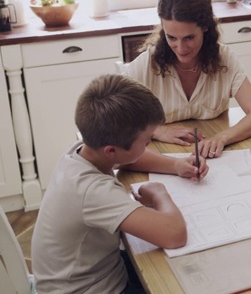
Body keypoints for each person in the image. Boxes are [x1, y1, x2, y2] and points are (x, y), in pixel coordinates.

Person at [32, 74, 209, 293]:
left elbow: (130, 158)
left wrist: (175, 165)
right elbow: (174, 235)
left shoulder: (82, 150)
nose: (147, 147)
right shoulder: (92, 191)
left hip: (89, 273)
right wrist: (159, 193)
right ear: (111, 150)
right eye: (145, 142)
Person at [125, 0, 251, 158]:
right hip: (160, 158)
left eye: (189, 38)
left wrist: (221, 138)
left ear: (205, 27)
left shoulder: (224, 59)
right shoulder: (148, 64)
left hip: (213, 159)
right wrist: (156, 131)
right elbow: (113, 120)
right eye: (171, 38)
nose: (180, 47)